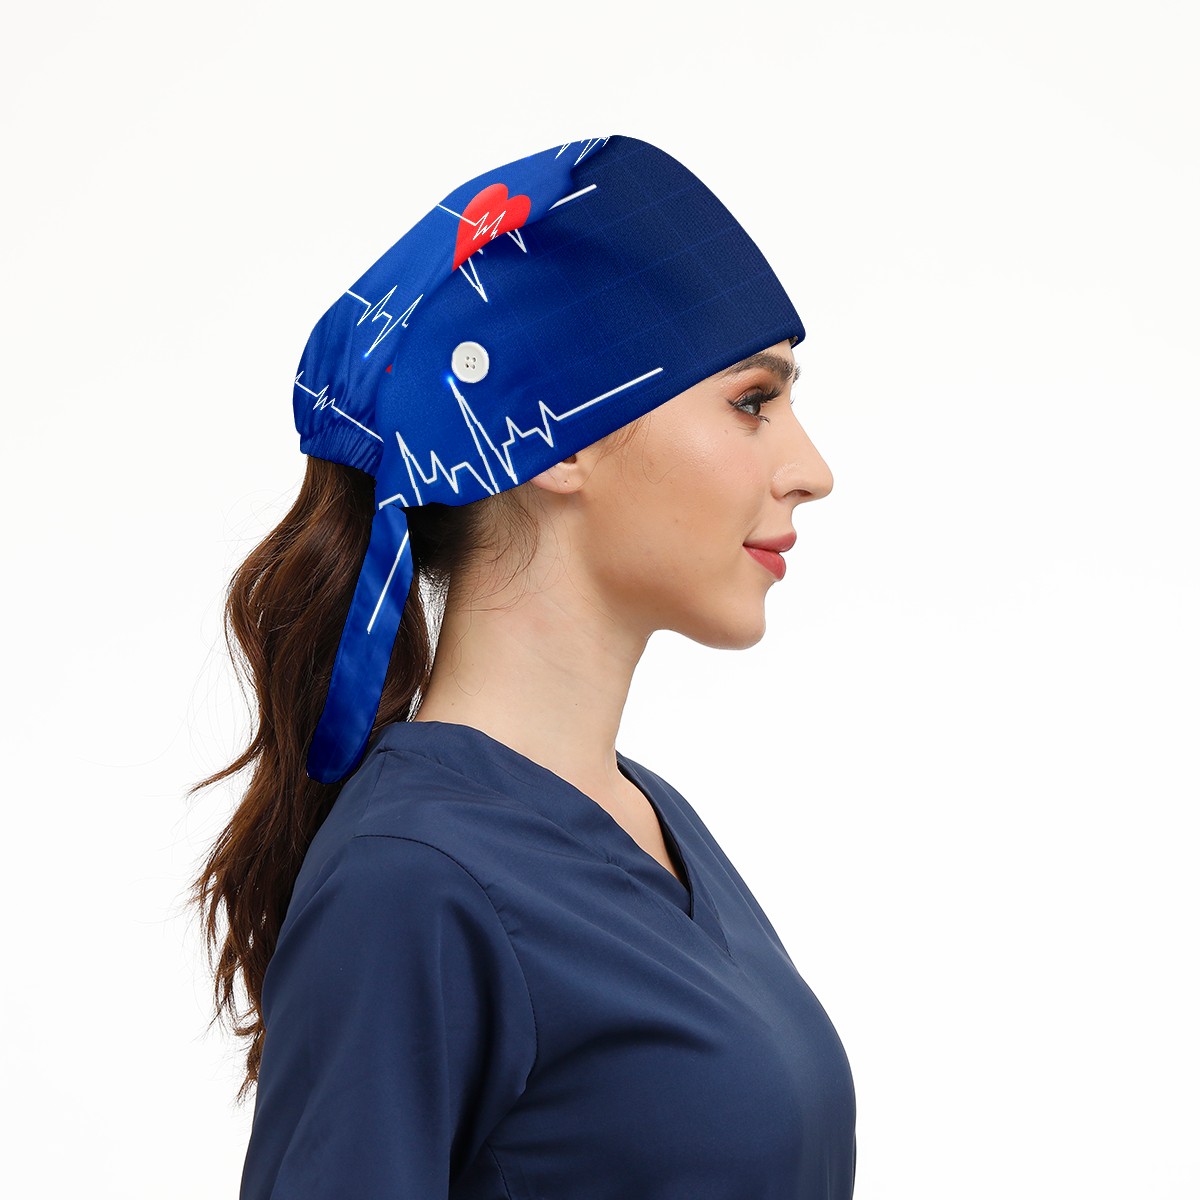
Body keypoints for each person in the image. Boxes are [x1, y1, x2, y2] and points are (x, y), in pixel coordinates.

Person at [190, 133, 857, 1199]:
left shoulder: (648, 819)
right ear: (558, 434)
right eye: (751, 401)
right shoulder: (412, 879)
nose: (811, 469)